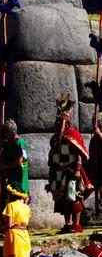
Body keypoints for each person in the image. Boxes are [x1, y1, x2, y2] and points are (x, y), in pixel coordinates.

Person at [48, 93, 94, 233]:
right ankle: (68, 223)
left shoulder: (73, 134)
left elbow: (80, 154)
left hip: (71, 171)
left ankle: (76, 224)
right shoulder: (55, 138)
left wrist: (77, 170)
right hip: (59, 173)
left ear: (67, 122)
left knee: (74, 196)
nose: (59, 124)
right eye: (58, 121)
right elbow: (53, 156)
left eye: (62, 122)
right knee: (62, 199)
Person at [2, 184, 32, 257]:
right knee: (24, 256)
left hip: (14, 235)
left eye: (8, 193)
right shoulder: (26, 207)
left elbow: (8, 224)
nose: (7, 195)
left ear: (12, 194)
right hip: (25, 234)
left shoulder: (10, 205)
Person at [1, 119, 29, 198]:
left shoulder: (20, 142)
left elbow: (20, 161)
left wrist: (6, 167)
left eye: (7, 132)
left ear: (13, 132)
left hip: (19, 180)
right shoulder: (7, 143)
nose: (5, 134)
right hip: (10, 178)